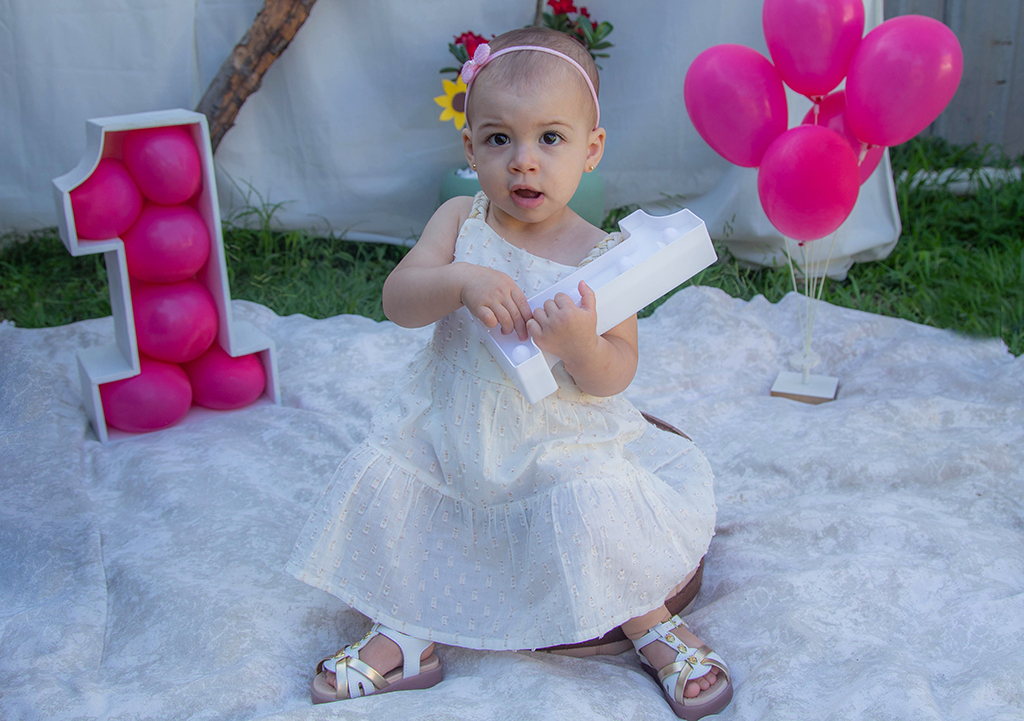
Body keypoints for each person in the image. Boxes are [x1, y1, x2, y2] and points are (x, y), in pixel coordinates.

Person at [287, 26, 733, 720]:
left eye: (551, 139)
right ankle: (407, 628)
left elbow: (615, 373)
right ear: (470, 150)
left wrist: (581, 344)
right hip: (454, 422)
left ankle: (646, 617)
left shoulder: (605, 255)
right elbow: (398, 302)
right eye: (499, 139)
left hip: (557, 436)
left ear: (591, 150)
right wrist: (458, 280)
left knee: (587, 499)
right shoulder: (458, 221)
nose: (523, 162)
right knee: (406, 485)